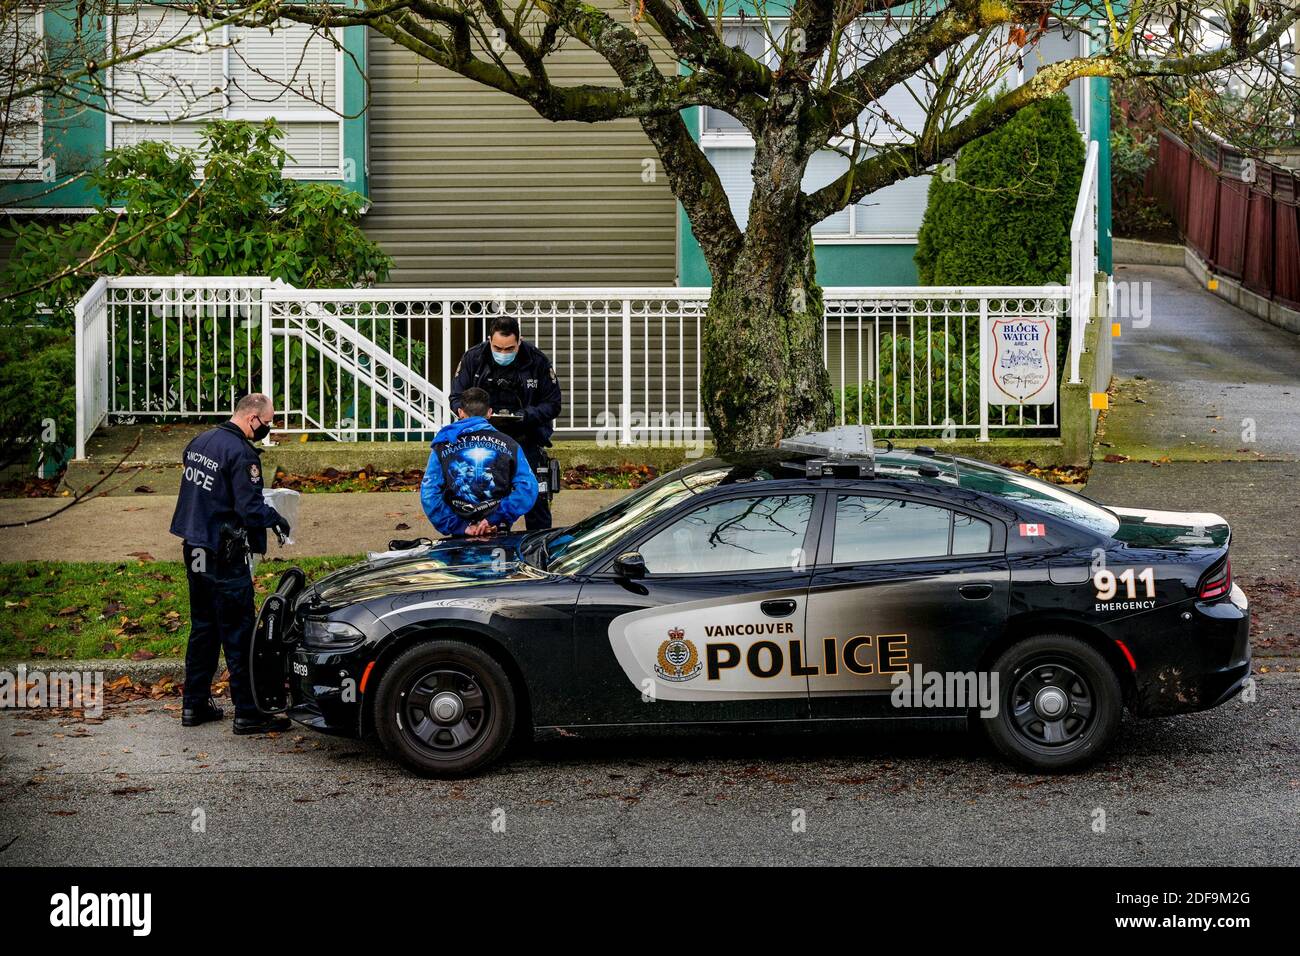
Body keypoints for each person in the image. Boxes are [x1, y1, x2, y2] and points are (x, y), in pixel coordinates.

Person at [169, 393, 292, 736]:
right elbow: (250, 508)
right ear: (252, 418)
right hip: (224, 552)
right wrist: (276, 518)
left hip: (195, 545)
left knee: (204, 628)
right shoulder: (242, 454)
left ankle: (194, 704)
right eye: (267, 422)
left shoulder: (201, 441)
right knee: (238, 632)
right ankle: (248, 712)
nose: (268, 428)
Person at [449, 314, 561, 529]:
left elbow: (553, 404)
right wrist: (471, 415)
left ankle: (539, 550)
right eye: (498, 348)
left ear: (519, 341)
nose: (503, 353)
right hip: (484, 440)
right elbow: (456, 398)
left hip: (526, 438)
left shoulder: (536, 361)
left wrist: (526, 415)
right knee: (484, 502)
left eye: (509, 349)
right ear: (490, 340)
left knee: (535, 500)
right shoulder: (474, 359)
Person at [421, 387, 538, 537]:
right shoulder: (509, 444)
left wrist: (458, 526)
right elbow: (528, 488)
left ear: (460, 412)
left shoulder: (442, 444)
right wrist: (497, 518)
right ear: (489, 413)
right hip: (498, 529)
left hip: (460, 534)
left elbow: (429, 493)